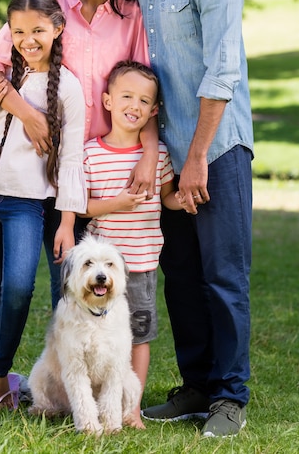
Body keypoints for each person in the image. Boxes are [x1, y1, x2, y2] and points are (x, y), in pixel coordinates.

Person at [28, 0, 254, 438]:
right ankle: (197, 386)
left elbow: (223, 72)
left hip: (215, 148)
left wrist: (198, 155)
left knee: (223, 275)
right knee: (179, 275)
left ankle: (230, 397)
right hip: (163, 157)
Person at [0, 0, 157, 309]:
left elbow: (145, 91)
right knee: (36, 286)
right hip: (42, 167)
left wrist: (149, 157)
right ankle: (6, 370)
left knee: (85, 293)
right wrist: (28, 114)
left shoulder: (132, 15)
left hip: (98, 172)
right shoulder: (50, 1)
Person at [0, 0, 87, 414]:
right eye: (18, 31)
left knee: (17, 288)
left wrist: (67, 221)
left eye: (37, 30)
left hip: (27, 204)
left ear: (57, 29)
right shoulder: (1, 74)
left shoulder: (68, 87)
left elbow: (70, 162)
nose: (27, 39)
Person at [81, 60, 186, 428]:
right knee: (97, 335)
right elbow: (83, 208)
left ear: (154, 110)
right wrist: (118, 204)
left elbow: (168, 197)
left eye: (144, 101)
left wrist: (184, 200)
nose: (135, 105)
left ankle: (131, 408)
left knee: (139, 337)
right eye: (126, 96)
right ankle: (94, 399)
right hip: (100, 268)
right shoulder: (90, 154)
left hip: (141, 264)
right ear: (107, 100)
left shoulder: (158, 157)